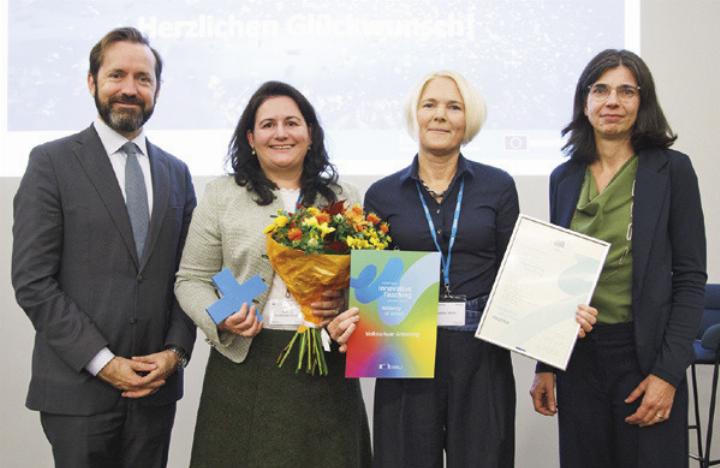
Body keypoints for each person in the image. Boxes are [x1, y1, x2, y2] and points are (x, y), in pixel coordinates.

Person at [11, 27, 197, 468]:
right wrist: (102, 361)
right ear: (92, 82)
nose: (129, 89)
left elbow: (190, 275)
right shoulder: (50, 163)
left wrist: (175, 353)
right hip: (78, 392)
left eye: (143, 78)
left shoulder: (177, 173)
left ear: (157, 89)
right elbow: (33, 281)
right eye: (117, 76)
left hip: (155, 393)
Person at [175, 80, 371, 468]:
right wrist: (221, 314)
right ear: (250, 138)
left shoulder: (343, 197)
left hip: (324, 365)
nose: (280, 133)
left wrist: (344, 315)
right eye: (267, 125)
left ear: (310, 134)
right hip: (245, 365)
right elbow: (191, 280)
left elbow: (365, 286)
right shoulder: (221, 195)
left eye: (292, 123)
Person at [330, 70, 519, 467]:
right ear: (414, 115)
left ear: (469, 120)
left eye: (454, 106)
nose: (440, 115)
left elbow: (514, 273)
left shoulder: (497, 186)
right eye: (429, 105)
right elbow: (372, 277)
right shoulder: (383, 194)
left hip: (480, 355)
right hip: (405, 353)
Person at [529, 49, 707, 468]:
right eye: (601, 90)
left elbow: (689, 277)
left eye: (626, 91)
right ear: (585, 102)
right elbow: (555, 279)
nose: (613, 101)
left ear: (642, 103)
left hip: (644, 355)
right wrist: (545, 364)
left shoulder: (672, 171)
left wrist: (667, 375)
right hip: (580, 357)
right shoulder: (565, 176)